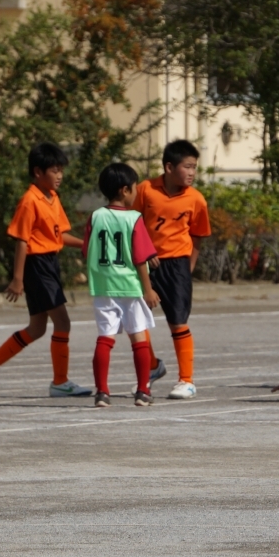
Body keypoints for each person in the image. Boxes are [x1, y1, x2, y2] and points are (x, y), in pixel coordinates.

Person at [0, 142, 90, 398]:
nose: (60, 175)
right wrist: (18, 278)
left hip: (50, 263)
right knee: (63, 322)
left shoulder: (53, 198)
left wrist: (85, 245)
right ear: (38, 172)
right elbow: (22, 240)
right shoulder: (29, 201)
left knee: (37, 328)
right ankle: (60, 381)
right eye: (55, 170)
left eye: (61, 170)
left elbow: (59, 235)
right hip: (37, 265)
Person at [133, 139, 212, 400]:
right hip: (146, 264)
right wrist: (143, 254)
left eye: (194, 167)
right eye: (187, 166)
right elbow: (133, 225)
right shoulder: (145, 189)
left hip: (177, 265)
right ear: (169, 167)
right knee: (137, 320)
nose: (192, 172)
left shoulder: (196, 199)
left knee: (177, 322)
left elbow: (198, 236)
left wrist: (188, 267)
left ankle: (186, 380)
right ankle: (152, 366)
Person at [85, 163, 162, 407]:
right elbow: (139, 258)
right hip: (130, 285)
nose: (137, 192)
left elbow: (87, 250)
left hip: (103, 286)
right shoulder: (134, 218)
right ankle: (142, 391)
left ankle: (102, 392)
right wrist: (148, 289)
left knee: (104, 338)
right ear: (125, 190)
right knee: (138, 337)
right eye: (135, 187)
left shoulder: (95, 216)